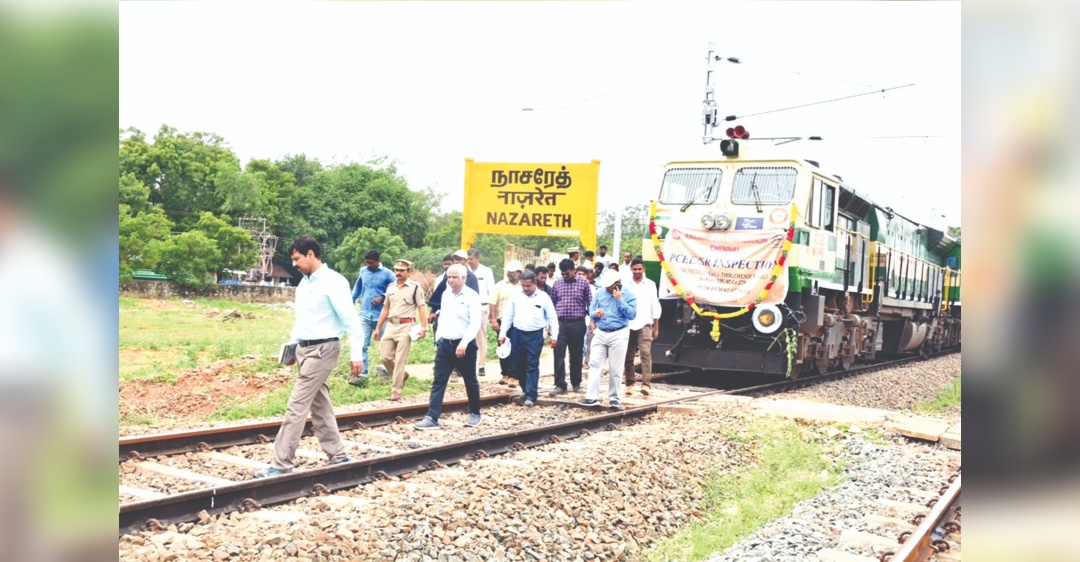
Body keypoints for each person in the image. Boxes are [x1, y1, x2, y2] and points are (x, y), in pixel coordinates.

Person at [255, 236, 364, 477]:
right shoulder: (303, 285)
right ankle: (338, 456)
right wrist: (291, 349)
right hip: (303, 350)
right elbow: (302, 321)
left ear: (311, 254)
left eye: (297, 259)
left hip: (324, 350)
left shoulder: (334, 282)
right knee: (319, 404)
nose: (294, 264)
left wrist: (357, 354)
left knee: (296, 406)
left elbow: (351, 320)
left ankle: (281, 464)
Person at [414, 264, 483, 430]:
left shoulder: (472, 296)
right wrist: (438, 341)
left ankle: (475, 413)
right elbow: (443, 318)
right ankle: (432, 417)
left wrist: (464, 343)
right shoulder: (446, 294)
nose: (451, 280)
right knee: (439, 380)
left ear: (463, 278)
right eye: (449, 277)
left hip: (464, 345)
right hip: (446, 344)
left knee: (470, 380)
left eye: (454, 277)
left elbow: (475, 323)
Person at [498, 270, 558, 407]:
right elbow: (508, 316)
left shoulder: (543, 297)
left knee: (532, 364)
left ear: (535, 283)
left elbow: (552, 317)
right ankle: (525, 389)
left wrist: (554, 336)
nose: (525, 288)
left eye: (528, 286)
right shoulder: (516, 296)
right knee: (519, 364)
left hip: (535, 335)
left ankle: (531, 395)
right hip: (517, 334)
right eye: (523, 285)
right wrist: (503, 334)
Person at [579, 270, 637, 410]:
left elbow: (632, 314)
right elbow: (591, 310)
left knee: (616, 368)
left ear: (618, 283)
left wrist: (620, 299)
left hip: (619, 333)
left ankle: (614, 399)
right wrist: (595, 314)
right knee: (594, 364)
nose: (607, 288)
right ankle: (592, 397)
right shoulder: (600, 293)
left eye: (610, 286)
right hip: (601, 331)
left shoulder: (628, 295)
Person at [372, 259, 428, 401]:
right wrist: (378, 328)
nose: (398, 273)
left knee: (400, 359)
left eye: (402, 270)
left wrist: (424, 327)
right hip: (391, 325)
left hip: (406, 326)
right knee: (385, 357)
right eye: (397, 270)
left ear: (408, 271)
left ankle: (396, 390)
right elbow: (386, 308)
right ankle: (402, 375)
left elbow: (421, 308)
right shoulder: (390, 287)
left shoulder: (415, 288)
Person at [349, 249, 396, 385]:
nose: (368, 265)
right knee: (362, 344)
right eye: (367, 262)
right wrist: (350, 302)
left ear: (378, 261)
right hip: (365, 314)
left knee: (387, 345)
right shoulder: (363, 271)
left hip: (382, 316)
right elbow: (358, 287)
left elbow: (397, 288)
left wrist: (383, 297)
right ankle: (362, 375)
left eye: (371, 263)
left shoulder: (387, 273)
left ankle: (392, 371)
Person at [548, 258, 592, 396]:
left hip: (578, 323)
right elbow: (551, 305)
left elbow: (590, 303)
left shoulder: (584, 283)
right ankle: (560, 385)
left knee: (576, 354)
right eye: (562, 274)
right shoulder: (557, 283)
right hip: (560, 324)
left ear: (574, 270)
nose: (565, 276)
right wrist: (550, 325)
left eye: (567, 273)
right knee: (558, 354)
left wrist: (592, 320)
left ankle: (576, 383)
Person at [622, 259, 662, 396]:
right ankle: (629, 384)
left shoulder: (650, 284)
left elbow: (655, 305)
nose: (637, 271)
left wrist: (656, 327)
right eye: (635, 269)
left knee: (645, 354)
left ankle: (646, 384)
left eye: (639, 269)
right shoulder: (625, 285)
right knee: (628, 356)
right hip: (628, 324)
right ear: (631, 270)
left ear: (644, 269)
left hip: (645, 323)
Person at [489, 260, 523, 387]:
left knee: (515, 349)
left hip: (518, 322)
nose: (510, 274)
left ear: (519, 273)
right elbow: (493, 302)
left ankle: (514, 376)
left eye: (513, 272)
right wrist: (493, 319)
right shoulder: (500, 285)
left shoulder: (524, 286)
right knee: (503, 348)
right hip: (502, 321)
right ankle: (505, 374)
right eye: (509, 272)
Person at [466, 248, 496, 377]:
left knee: (481, 336)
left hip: (481, 307)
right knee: (466, 335)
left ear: (478, 258)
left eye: (471, 259)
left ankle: (481, 365)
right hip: (466, 307)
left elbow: (492, 291)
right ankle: (466, 365)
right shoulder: (465, 271)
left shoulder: (486, 271)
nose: (469, 261)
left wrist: (492, 312)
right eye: (468, 259)